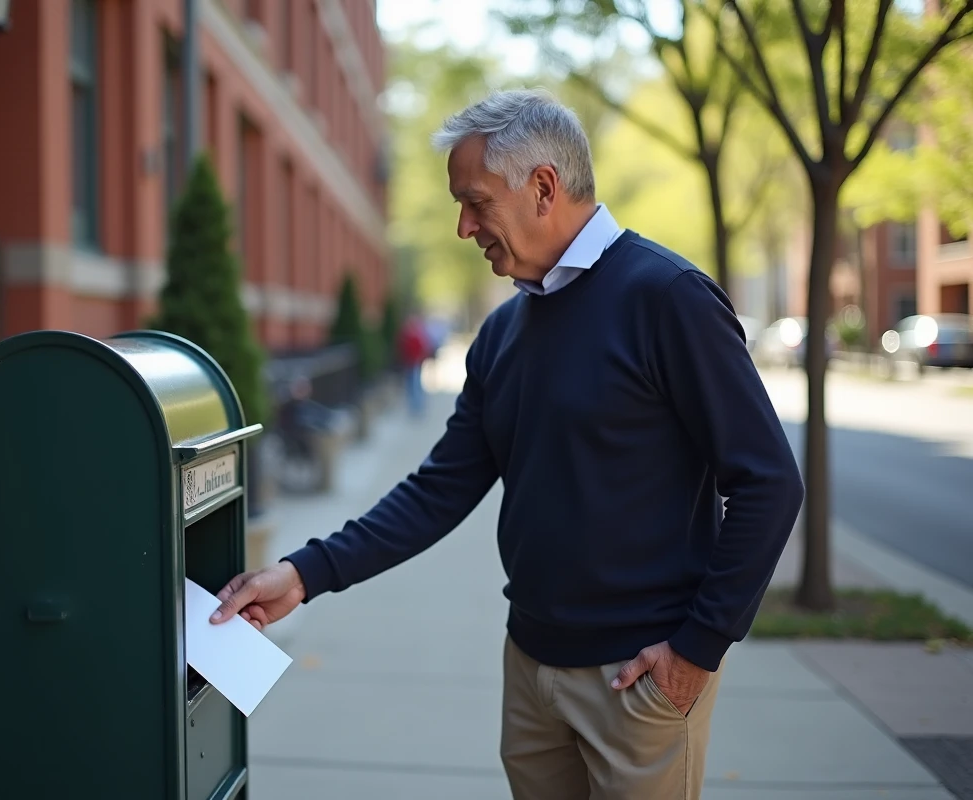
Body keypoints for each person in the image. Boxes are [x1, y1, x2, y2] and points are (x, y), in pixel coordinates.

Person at [210, 88, 804, 800]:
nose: (464, 226)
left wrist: (697, 650)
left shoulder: (667, 298)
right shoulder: (503, 332)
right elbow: (441, 488)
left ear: (543, 187)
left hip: (640, 679)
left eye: (476, 201)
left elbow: (769, 482)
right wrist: (305, 574)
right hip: (530, 667)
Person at [397, 314, 429, 417]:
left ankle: (418, 407)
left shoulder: (415, 336)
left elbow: (421, 348)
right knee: (411, 385)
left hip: (415, 363)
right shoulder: (407, 336)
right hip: (409, 363)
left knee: (415, 385)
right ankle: (414, 407)